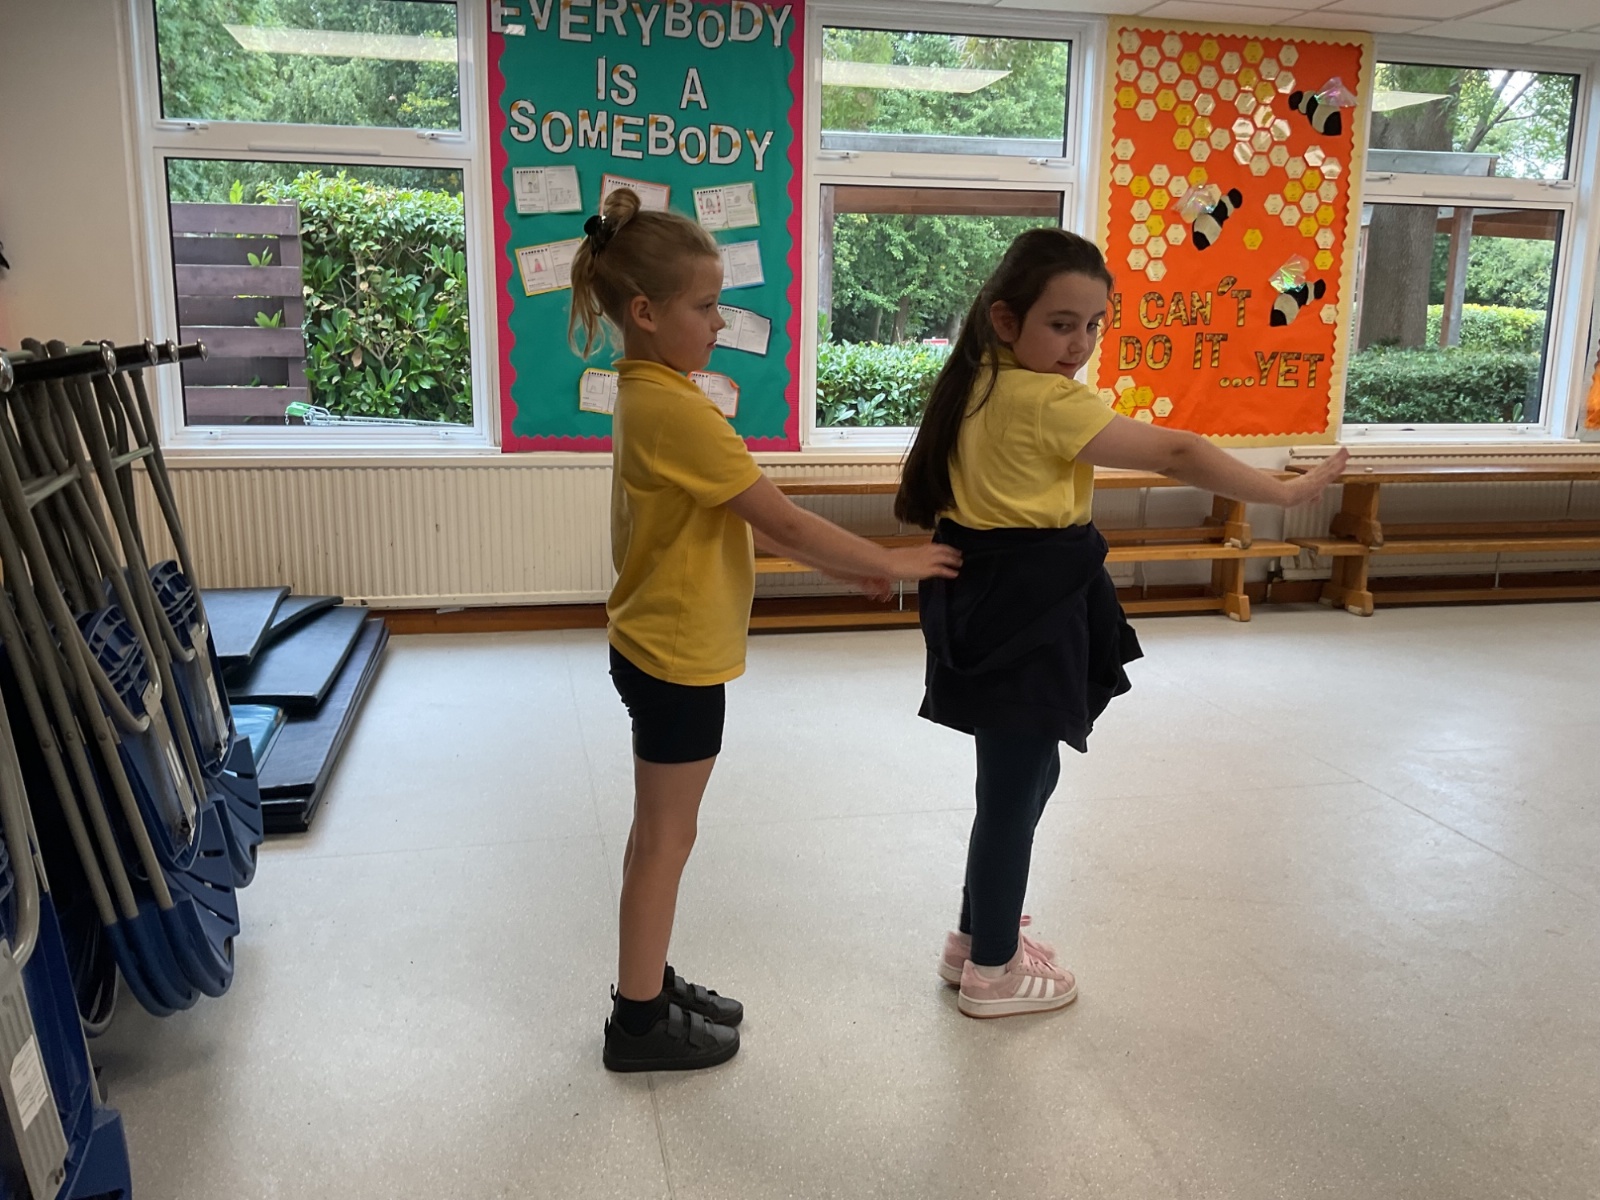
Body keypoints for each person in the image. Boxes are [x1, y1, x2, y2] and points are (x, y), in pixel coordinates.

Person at [895, 227, 1349, 1020]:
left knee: (1021, 778)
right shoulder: (1045, 400)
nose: (1079, 344)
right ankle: (994, 971)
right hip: (1026, 605)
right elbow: (1177, 452)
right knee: (1012, 792)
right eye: (1060, 324)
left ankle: (975, 939)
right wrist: (1283, 492)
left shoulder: (980, 380)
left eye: (1093, 325)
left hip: (995, 595)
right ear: (1006, 320)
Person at [569, 189, 962, 1071]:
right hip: (673, 654)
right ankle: (638, 1021)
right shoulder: (676, 409)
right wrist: (885, 560)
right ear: (646, 312)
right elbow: (779, 520)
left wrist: (859, 564)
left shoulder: (648, 390)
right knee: (666, 840)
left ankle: (646, 980)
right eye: (706, 305)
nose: (720, 322)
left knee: (657, 834)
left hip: (658, 642)